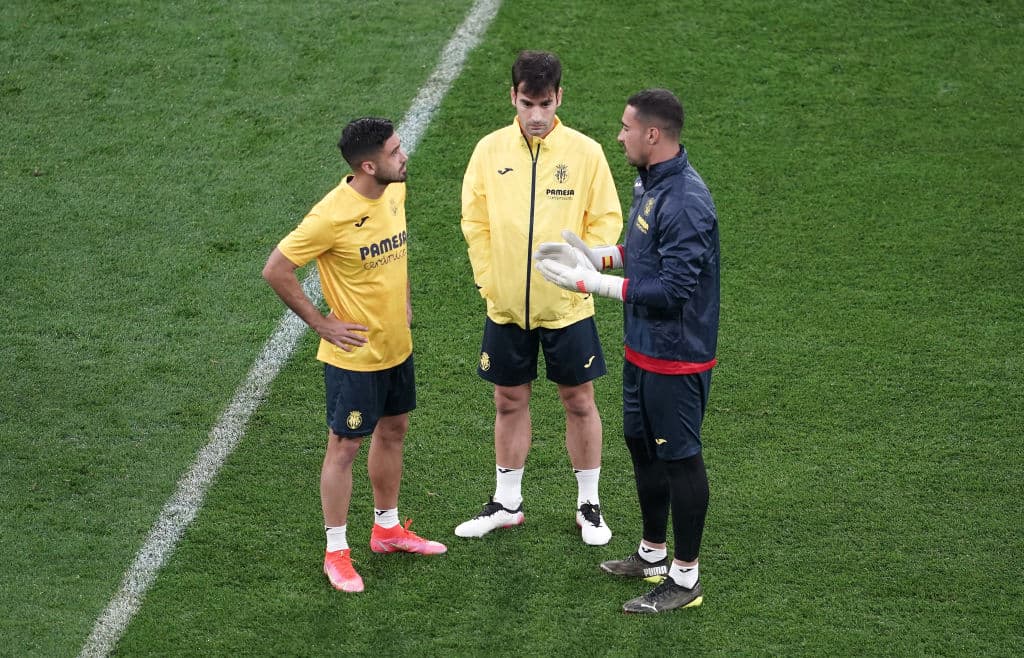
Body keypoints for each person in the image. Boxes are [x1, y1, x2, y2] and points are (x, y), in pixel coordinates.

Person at [535, 88, 720, 613]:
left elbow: (675, 290)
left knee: (680, 460)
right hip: (644, 350)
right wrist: (601, 257)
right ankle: (652, 553)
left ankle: (685, 579)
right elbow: (644, 249)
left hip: (676, 356)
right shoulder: (652, 179)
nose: (620, 135)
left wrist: (592, 285)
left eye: (626, 127)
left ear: (652, 134)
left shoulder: (686, 200)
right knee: (642, 447)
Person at [262, 117, 446, 594]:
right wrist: (321, 324)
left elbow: (397, 254)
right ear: (369, 165)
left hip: (395, 347)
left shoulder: (395, 191)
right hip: (355, 357)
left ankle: (386, 530)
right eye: (394, 151)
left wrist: (403, 296)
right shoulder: (329, 216)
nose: (404, 156)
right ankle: (337, 552)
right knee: (343, 448)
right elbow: (277, 269)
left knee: (395, 430)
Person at [457, 50, 624, 545]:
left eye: (545, 103)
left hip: (568, 306)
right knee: (508, 400)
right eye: (527, 103)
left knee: (579, 399)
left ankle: (589, 506)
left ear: (559, 99)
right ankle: (507, 502)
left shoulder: (587, 153)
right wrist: (491, 282)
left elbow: (606, 221)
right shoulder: (488, 151)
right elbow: (475, 223)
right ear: (512, 96)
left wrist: (583, 267)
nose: (535, 115)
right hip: (505, 305)